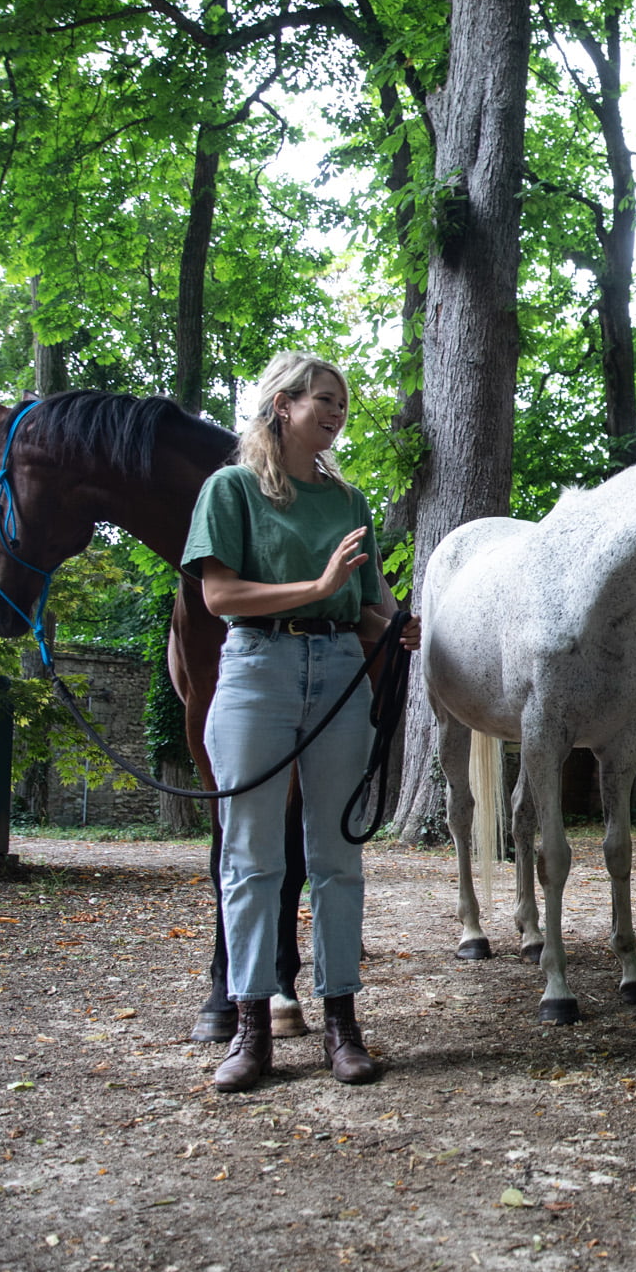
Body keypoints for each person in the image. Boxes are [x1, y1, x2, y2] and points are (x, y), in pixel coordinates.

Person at [183, 350, 412, 1093]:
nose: (337, 411)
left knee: (337, 858)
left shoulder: (350, 500)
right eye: (323, 399)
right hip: (256, 673)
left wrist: (395, 626)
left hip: (341, 672)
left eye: (341, 401)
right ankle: (252, 1029)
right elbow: (220, 597)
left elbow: (371, 602)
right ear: (283, 405)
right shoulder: (231, 489)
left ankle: (342, 1023)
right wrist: (315, 585)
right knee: (251, 857)